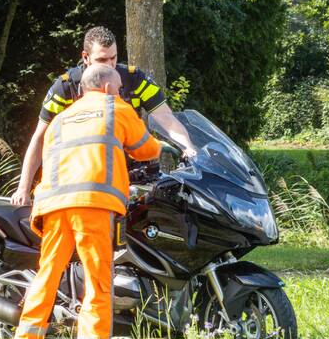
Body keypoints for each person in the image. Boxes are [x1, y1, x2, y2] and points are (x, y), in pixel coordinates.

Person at [11, 63, 161, 339]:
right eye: (119, 87)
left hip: (53, 206)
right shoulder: (116, 108)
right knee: (98, 280)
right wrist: (159, 146)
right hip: (92, 203)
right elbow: (147, 151)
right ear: (106, 87)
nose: (121, 92)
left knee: (47, 274)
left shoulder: (61, 118)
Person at [11, 26, 193, 206]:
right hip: (83, 179)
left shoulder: (133, 78)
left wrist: (189, 148)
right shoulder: (65, 87)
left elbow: (166, 117)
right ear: (85, 57)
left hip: (132, 174)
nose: (109, 65)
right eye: (101, 60)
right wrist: (23, 189)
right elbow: (40, 138)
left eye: (113, 58)